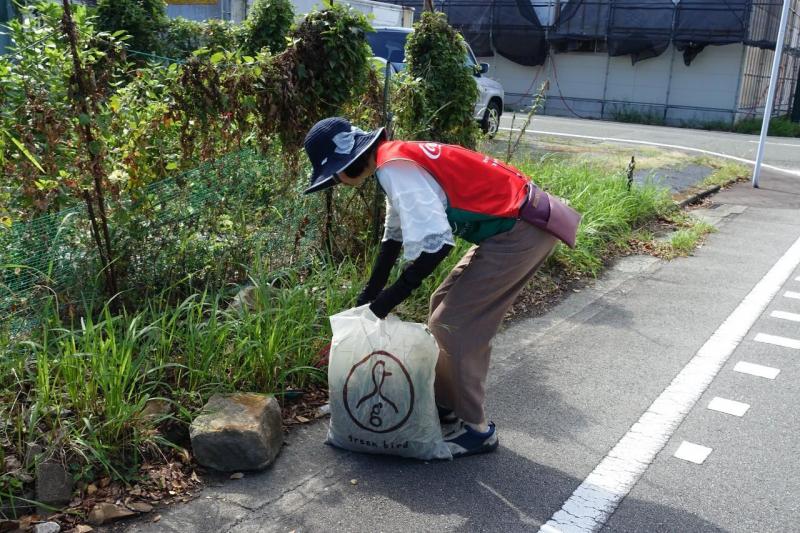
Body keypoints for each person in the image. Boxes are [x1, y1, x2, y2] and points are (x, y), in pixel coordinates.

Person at [303, 117, 579, 458]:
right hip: (511, 225)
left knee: (455, 326)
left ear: (347, 162)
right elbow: (394, 238)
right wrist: (367, 300)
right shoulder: (392, 160)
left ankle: (477, 429)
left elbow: (436, 247)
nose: (337, 182)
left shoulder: (395, 167)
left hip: (520, 230)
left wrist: (379, 308)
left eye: (334, 175)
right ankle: (447, 403)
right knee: (442, 303)